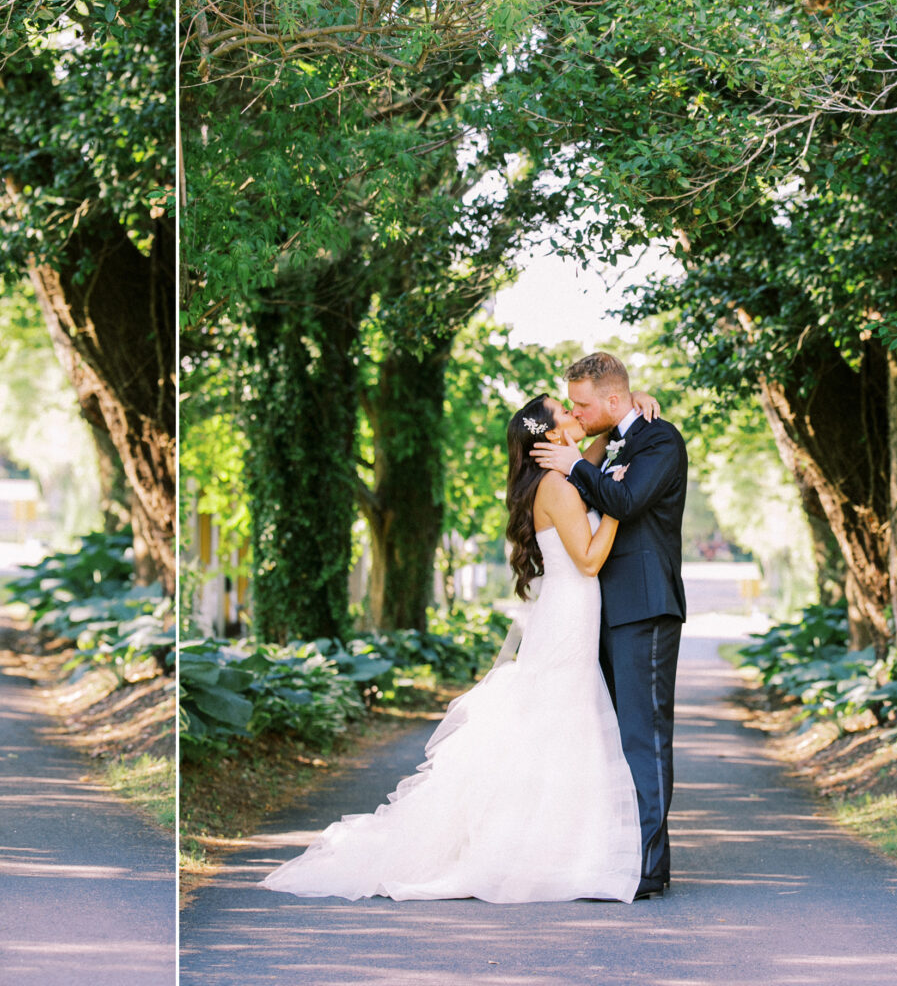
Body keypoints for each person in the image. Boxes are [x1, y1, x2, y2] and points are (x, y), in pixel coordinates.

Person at [260, 391, 657, 904]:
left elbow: (601, 443)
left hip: (570, 608)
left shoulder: (561, 473)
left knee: (559, 716)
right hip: (571, 605)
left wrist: (633, 404)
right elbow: (587, 560)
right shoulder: (558, 485)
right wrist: (618, 510)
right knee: (561, 715)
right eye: (565, 411)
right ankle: (540, 847)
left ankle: (554, 843)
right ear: (552, 436)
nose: (575, 414)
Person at [531, 352, 687, 899]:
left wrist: (573, 464)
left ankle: (648, 868)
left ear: (615, 399)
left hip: (643, 608)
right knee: (609, 739)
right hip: (597, 613)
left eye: (582, 403)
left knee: (644, 737)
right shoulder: (612, 441)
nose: (575, 410)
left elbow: (624, 498)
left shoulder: (660, 440)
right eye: (569, 404)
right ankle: (615, 853)